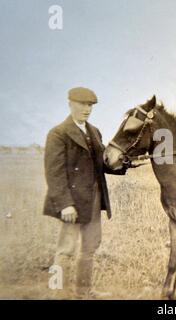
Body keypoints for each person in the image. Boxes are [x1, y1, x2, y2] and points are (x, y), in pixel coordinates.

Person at [43, 87, 126, 298]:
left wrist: (123, 164)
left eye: (90, 105)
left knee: (89, 248)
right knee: (66, 249)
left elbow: (102, 164)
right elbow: (54, 174)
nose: (87, 109)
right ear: (70, 103)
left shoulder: (95, 132)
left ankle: (83, 292)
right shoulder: (58, 133)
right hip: (72, 202)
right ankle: (56, 293)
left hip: (94, 200)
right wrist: (64, 204)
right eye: (82, 104)